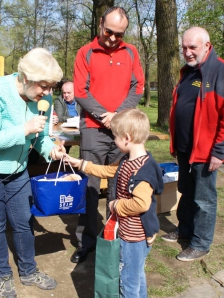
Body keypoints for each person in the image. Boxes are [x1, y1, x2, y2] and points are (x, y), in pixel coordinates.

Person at [0, 48, 65, 298]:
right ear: (25, 77)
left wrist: (51, 149)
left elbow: (40, 137)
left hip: (17, 169)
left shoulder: (43, 98)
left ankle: (29, 271)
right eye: (44, 86)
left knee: (23, 221)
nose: (47, 93)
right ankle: (3, 276)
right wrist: (24, 129)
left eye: (52, 87)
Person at [64, 108, 163, 298]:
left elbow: (141, 204)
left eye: (115, 137)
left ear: (127, 138)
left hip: (133, 238)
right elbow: (109, 171)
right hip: (129, 233)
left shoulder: (142, 171)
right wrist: (79, 164)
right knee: (136, 277)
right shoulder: (128, 160)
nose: (113, 142)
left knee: (128, 283)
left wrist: (116, 205)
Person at [71, 6, 145, 263]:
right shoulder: (85, 52)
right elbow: (80, 91)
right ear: (101, 24)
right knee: (89, 187)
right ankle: (86, 241)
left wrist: (118, 115)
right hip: (93, 129)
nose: (113, 38)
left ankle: (115, 237)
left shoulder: (131, 51)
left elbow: (138, 87)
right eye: (109, 31)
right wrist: (105, 115)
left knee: (119, 186)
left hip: (122, 131)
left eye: (119, 34)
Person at [162, 27, 224, 262]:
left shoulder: (221, 71)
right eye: (184, 47)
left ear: (207, 45)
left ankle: (201, 243)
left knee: (204, 198)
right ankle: (185, 229)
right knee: (186, 191)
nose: (187, 52)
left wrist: (220, 151)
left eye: (192, 47)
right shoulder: (188, 72)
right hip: (186, 148)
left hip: (207, 152)